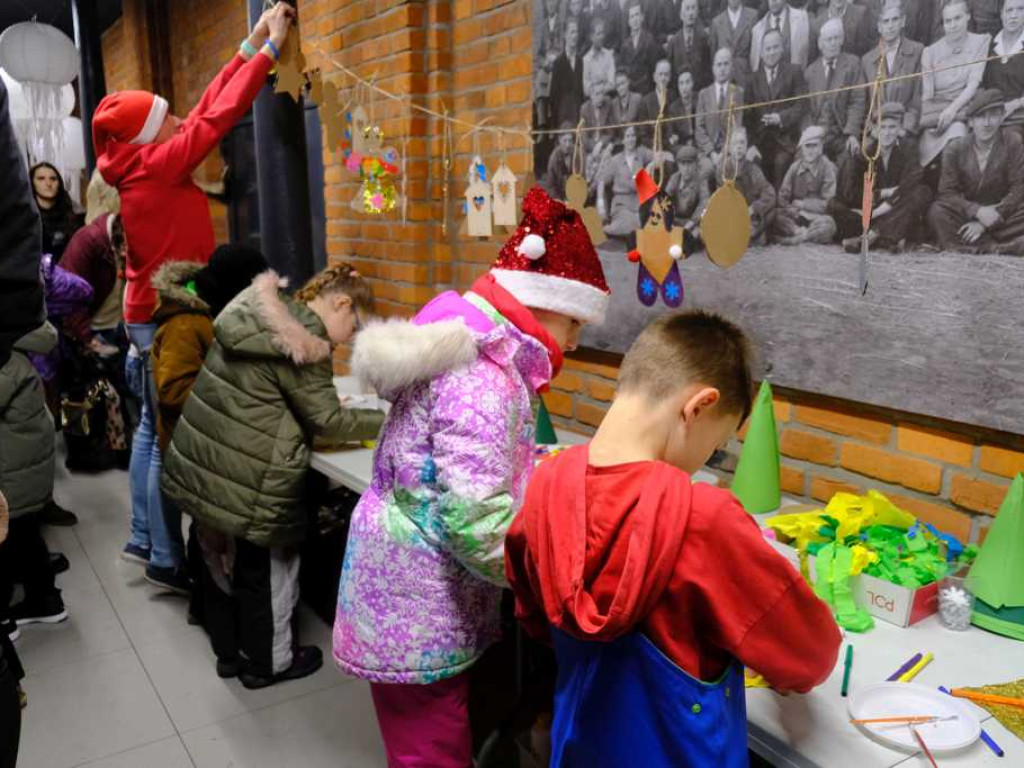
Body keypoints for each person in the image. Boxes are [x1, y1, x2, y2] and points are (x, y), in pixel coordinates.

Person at [333, 186, 610, 768]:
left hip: (410, 593)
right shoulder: (484, 378)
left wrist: (545, 468)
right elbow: (476, 522)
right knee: (430, 753)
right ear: (540, 303)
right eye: (574, 322)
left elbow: (476, 463)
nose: (576, 341)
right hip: (417, 605)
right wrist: (555, 573)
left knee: (437, 737)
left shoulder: (482, 360)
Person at [506, 310, 842, 768]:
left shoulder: (544, 488)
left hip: (581, 746)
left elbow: (534, 619)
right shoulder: (703, 519)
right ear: (698, 407)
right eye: (717, 444)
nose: (710, 456)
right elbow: (809, 652)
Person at [92, 3, 294, 573]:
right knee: (163, 438)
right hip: (163, 313)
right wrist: (272, 52)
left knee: (149, 437)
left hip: (144, 311)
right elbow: (216, 118)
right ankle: (163, 555)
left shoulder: (140, 161)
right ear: (151, 135)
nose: (178, 119)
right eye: (166, 119)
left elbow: (204, 107)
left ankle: (142, 536)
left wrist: (250, 41)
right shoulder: (157, 165)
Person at [162, 264, 384, 688]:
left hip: (210, 459)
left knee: (219, 558)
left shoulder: (260, 312)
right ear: (340, 303)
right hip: (252, 472)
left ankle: (230, 653)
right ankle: (269, 664)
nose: (351, 336)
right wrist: (383, 419)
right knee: (270, 568)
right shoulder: (305, 342)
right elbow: (328, 420)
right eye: (353, 324)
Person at [146, 245, 269, 597]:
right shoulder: (186, 323)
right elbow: (172, 391)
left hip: (207, 443)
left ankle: (207, 602)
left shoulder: (211, 312)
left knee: (209, 532)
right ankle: (215, 609)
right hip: (195, 447)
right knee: (210, 536)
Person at [0, 322, 68, 632]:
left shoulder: (4, 362)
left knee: (9, 536)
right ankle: (46, 599)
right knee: (23, 534)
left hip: (12, 468)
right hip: (23, 464)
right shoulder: (13, 345)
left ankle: (4, 621)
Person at [928, 89, 1024, 252]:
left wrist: (985, 223)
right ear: (970, 122)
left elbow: (1018, 188)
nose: (987, 123)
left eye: (993, 115)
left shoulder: (1012, 142)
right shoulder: (955, 148)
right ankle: (998, 248)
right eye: (980, 117)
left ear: (1001, 118)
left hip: (1002, 211)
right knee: (937, 212)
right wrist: (977, 211)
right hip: (969, 212)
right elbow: (947, 192)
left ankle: (976, 245)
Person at [830, 102, 931, 251]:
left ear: (900, 129)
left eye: (892, 127)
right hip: (877, 210)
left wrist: (876, 212)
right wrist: (882, 194)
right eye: (882, 127)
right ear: (875, 129)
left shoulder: (909, 148)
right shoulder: (866, 154)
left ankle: (872, 236)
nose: (887, 133)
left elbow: (910, 184)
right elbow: (853, 194)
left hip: (894, 208)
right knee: (834, 205)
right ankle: (889, 238)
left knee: (922, 192)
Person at [918, 0, 990, 167]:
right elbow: (928, 97)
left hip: (966, 111)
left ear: (968, 16)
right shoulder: (930, 52)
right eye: (947, 21)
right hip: (938, 117)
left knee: (958, 134)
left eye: (957, 18)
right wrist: (936, 119)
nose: (953, 25)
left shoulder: (981, 42)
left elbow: (973, 83)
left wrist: (953, 110)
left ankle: (951, 188)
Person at [748, 28, 809, 185]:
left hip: (785, 140)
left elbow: (801, 105)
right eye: (768, 49)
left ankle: (780, 206)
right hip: (761, 141)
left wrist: (781, 118)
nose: (772, 52)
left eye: (775, 47)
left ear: (782, 48)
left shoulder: (794, 72)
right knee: (753, 165)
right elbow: (747, 117)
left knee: (780, 164)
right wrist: (751, 145)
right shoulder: (753, 79)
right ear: (761, 52)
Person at [804, 18, 867, 160]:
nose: (832, 43)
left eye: (836, 38)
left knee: (848, 160)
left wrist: (851, 133)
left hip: (842, 133)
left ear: (842, 40)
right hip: (817, 133)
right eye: (828, 40)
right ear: (820, 44)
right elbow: (805, 110)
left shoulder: (852, 64)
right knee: (804, 160)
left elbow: (857, 101)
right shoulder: (811, 71)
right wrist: (809, 134)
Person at [863, 0, 924, 136]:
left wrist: (905, 129)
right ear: (879, 27)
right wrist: (873, 129)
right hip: (878, 129)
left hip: (904, 128)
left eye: (894, 20)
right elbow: (866, 103)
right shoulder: (867, 60)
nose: (890, 26)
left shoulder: (917, 52)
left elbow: (917, 97)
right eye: (885, 21)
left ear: (902, 22)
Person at [774, 125, 839, 243]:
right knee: (774, 215)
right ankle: (797, 231)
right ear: (802, 148)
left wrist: (803, 204)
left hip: (817, 217)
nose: (810, 150)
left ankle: (801, 237)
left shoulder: (828, 168)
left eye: (814, 146)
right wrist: (790, 209)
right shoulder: (795, 167)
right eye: (807, 146)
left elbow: (829, 203)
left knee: (830, 225)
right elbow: (783, 196)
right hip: (796, 216)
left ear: (821, 147)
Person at [720, 127, 777, 243]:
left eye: (742, 142)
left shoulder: (753, 169)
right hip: (731, 214)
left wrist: (753, 209)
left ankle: (751, 233)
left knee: (772, 212)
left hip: (750, 215)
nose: (739, 146)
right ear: (730, 147)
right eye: (735, 143)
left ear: (746, 146)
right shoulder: (724, 168)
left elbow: (770, 194)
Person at [599, 126, 655, 236]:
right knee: (627, 226)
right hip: (621, 205)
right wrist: (600, 201)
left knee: (645, 224)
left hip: (639, 204)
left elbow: (660, 156)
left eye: (633, 135)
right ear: (623, 140)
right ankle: (606, 229)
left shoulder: (642, 153)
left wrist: (650, 167)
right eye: (627, 136)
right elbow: (602, 180)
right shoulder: (616, 160)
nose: (631, 139)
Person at [696, 48, 746, 169]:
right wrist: (711, 153)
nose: (722, 69)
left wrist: (724, 153)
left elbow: (737, 126)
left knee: (728, 168)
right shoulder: (704, 94)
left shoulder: (738, 92)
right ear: (713, 68)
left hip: (730, 150)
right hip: (707, 152)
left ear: (731, 67)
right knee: (706, 170)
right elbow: (699, 128)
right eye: (719, 65)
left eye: (726, 64)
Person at [982, 0, 1024, 143]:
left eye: (1020, 9)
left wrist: (1016, 104)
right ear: (1001, 14)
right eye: (1009, 10)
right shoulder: (989, 42)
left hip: (1018, 116)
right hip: (990, 112)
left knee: (1009, 140)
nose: (1014, 15)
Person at [30, 161, 84, 263]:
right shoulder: (26, 217)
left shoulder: (74, 214)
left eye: (53, 179)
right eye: (41, 178)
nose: (48, 183)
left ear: (59, 183)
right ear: (32, 183)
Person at [665, 146, 710, 245]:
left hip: (693, 222)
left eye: (689, 164)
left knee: (702, 232)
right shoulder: (675, 178)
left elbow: (704, 204)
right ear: (678, 166)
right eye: (683, 164)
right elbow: (664, 200)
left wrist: (691, 223)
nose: (686, 168)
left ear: (696, 165)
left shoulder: (701, 180)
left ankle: (685, 239)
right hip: (676, 220)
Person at [751, 0, 814, 71]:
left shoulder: (802, 19)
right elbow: (755, 64)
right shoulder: (757, 29)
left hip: (796, 78)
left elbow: (812, 53)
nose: (773, 1)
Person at [709, 0, 760, 86]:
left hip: (746, 76)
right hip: (724, 78)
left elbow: (756, 52)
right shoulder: (716, 22)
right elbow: (713, 56)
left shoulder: (753, 17)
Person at [666, 0, 713, 91]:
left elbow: (708, 70)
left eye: (693, 8)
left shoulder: (704, 38)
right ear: (681, 15)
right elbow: (671, 74)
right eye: (687, 9)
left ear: (697, 13)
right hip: (679, 93)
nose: (691, 12)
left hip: (700, 92)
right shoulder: (674, 41)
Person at [620, 1, 664, 94]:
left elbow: (653, 69)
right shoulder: (625, 45)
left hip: (646, 89)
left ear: (642, 17)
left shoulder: (649, 40)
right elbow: (624, 70)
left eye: (637, 15)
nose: (635, 19)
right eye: (632, 16)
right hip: (631, 90)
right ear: (628, 21)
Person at [551, 19, 586, 130]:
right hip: (564, 118)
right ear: (565, 35)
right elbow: (554, 96)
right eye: (572, 32)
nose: (574, 35)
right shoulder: (558, 63)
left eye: (576, 32)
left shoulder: (581, 61)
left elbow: (581, 91)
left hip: (579, 116)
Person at [639, 60, 675, 146]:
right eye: (660, 74)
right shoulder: (645, 102)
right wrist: (665, 144)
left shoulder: (674, 97)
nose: (663, 78)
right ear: (654, 77)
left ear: (670, 77)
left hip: (673, 148)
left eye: (666, 75)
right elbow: (643, 136)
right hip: (652, 148)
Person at [583, 18, 616, 100]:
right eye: (598, 34)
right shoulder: (586, 60)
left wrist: (596, 87)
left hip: (608, 99)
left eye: (602, 33)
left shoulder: (609, 55)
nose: (602, 37)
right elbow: (586, 90)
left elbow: (612, 84)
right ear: (592, 37)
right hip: (593, 102)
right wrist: (603, 85)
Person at [666, 70, 698, 148]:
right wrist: (673, 138)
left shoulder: (700, 99)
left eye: (687, 82)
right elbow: (670, 133)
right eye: (681, 83)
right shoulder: (673, 108)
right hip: (683, 146)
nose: (684, 87)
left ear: (692, 83)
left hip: (700, 143)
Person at [545, 126, 576, 200]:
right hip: (559, 197)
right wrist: (559, 201)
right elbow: (551, 186)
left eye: (570, 140)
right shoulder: (554, 157)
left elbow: (581, 179)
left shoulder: (577, 154)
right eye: (565, 140)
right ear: (559, 140)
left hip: (574, 196)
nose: (568, 144)